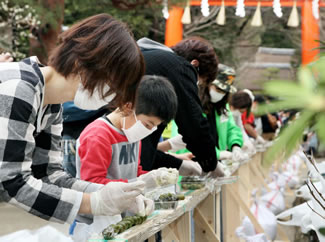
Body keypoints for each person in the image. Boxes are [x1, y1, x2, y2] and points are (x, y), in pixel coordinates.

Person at [0, 14, 150, 224]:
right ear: (86, 62)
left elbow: (49, 175)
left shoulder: (51, 104)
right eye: (112, 85)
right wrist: (94, 203)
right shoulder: (18, 88)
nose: (111, 95)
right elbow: (11, 183)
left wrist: (114, 194)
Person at [137, 37, 223, 176]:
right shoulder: (180, 67)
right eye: (199, 82)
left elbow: (145, 150)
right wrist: (210, 163)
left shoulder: (149, 58)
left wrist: (178, 164)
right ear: (194, 64)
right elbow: (193, 122)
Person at [76, 75, 181, 188]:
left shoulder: (132, 133)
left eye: (154, 127)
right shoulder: (98, 136)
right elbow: (91, 183)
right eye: (148, 124)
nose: (149, 130)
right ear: (127, 107)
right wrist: (139, 183)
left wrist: (156, 178)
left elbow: (134, 173)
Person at [159, 64, 247, 164]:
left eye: (224, 92)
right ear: (206, 84)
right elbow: (190, 138)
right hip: (191, 163)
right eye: (218, 89)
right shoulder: (191, 106)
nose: (220, 94)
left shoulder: (222, 107)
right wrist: (217, 154)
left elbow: (232, 128)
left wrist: (235, 145)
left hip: (214, 162)